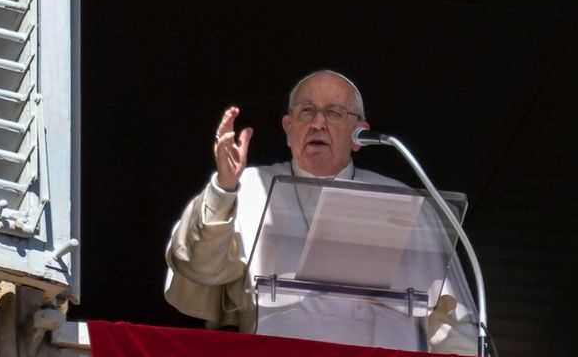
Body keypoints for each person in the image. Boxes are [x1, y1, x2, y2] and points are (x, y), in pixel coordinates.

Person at [164, 70, 478, 353]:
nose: (318, 123)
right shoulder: (247, 188)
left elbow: (455, 326)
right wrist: (224, 188)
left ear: (359, 133)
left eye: (334, 113)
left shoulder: (406, 203)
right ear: (289, 129)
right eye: (307, 111)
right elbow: (197, 266)